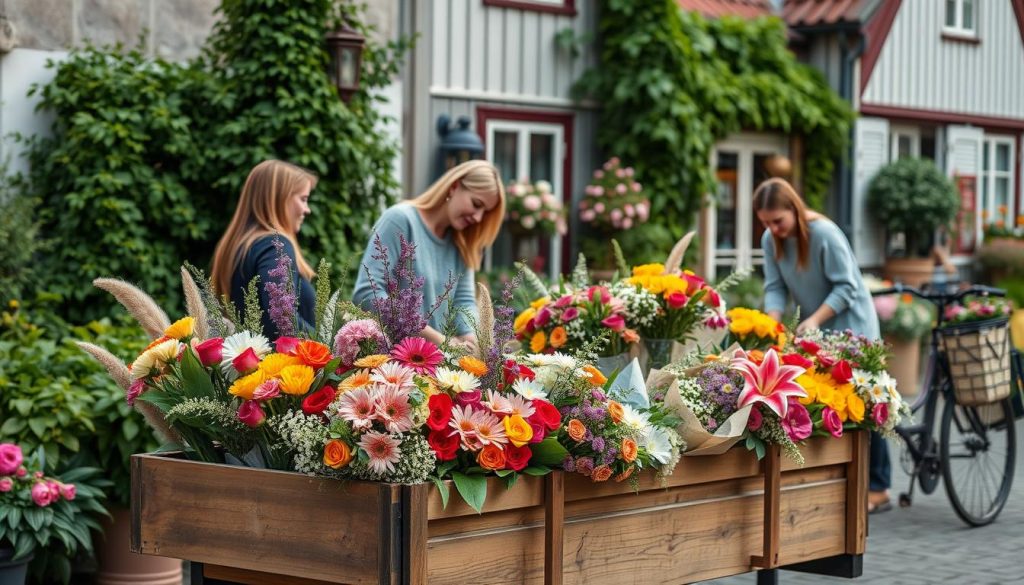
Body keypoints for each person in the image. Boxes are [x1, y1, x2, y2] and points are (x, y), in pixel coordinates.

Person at [753, 177, 891, 514]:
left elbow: (847, 288)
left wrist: (813, 319)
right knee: (828, 400)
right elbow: (775, 287)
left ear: (795, 210)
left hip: (851, 326)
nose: (773, 229)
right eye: (766, 222)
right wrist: (772, 321)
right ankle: (839, 480)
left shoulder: (824, 234)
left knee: (866, 402)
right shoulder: (772, 239)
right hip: (816, 331)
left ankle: (879, 486)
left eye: (778, 221)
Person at [352, 160, 506, 353]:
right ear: (454, 187)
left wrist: (472, 343)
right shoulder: (401, 220)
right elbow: (367, 293)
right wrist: (439, 340)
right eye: (476, 204)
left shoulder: (463, 242)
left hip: (435, 369)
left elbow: (463, 303)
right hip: (389, 365)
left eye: (485, 212)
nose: (478, 217)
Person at [211, 159, 318, 339]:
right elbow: (282, 320)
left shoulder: (238, 248)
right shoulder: (274, 246)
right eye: (303, 199)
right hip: (283, 365)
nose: (307, 210)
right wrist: (330, 349)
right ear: (280, 199)